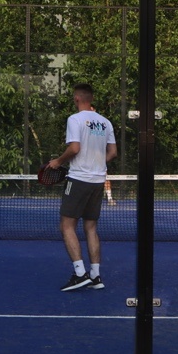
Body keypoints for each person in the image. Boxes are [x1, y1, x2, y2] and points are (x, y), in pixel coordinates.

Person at [47, 83, 116, 291]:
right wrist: (97, 163)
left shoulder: (75, 119)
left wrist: (58, 161)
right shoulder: (105, 122)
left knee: (66, 226)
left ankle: (80, 274)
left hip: (78, 180)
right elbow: (113, 153)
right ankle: (95, 276)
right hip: (98, 181)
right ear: (91, 99)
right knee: (91, 228)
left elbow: (74, 148)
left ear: (77, 99)